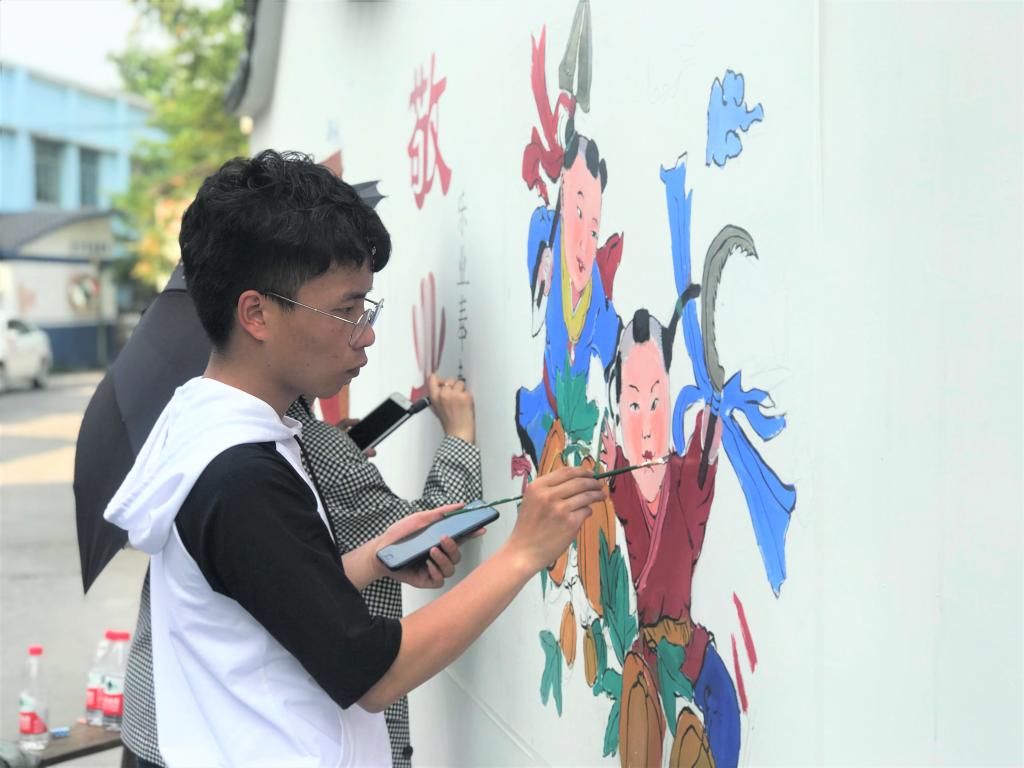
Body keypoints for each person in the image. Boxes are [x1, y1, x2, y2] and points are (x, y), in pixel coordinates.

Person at [104, 149, 604, 766]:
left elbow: (269, 590)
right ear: (256, 313)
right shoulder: (239, 477)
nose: (365, 333)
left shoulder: (218, 428)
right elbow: (375, 674)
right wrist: (523, 553)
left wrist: (374, 557)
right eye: (345, 310)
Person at [122, 373, 481, 768]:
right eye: (347, 327)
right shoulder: (279, 453)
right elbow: (437, 530)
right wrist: (459, 433)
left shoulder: (192, 420)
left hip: (163, 714)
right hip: (243, 735)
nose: (363, 344)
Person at [600, 308, 738, 768]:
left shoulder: (684, 481)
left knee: (723, 706)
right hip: (646, 657)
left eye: (657, 403)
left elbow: (702, 464)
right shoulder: (619, 479)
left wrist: (709, 438)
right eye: (633, 406)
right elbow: (617, 508)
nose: (645, 427)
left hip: (686, 647)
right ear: (618, 410)